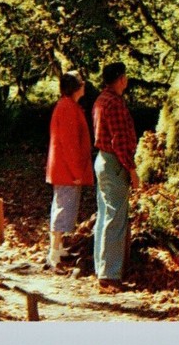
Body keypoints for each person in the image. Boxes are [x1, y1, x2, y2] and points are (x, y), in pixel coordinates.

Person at [92, 61, 138, 292]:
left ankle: (102, 268)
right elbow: (119, 141)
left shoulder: (101, 100)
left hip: (102, 160)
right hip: (114, 163)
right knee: (115, 218)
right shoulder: (115, 103)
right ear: (120, 79)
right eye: (125, 76)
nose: (127, 80)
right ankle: (109, 276)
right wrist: (132, 169)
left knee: (105, 215)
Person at [45, 71, 94, 270]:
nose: (84, 85)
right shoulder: (67, 108)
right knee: (63, 209)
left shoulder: (69, 106)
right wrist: (75, 172)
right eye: (81, 83)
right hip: (67, 170)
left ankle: (58, 247)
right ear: (75, 87)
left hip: (66, 168)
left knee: (65, 207)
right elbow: (69, 144)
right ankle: (54, 252)